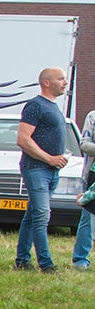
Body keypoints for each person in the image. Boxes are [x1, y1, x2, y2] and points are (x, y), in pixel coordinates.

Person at [14, 67, 70, 273]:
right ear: (46, 82)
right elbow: (22, 139)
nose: (65, 82)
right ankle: (46, 264)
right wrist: (50, 158)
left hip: (51, 170)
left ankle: (22, 260)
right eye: (61, 79)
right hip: (37, 168)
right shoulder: (35, 105)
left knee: (32, 215)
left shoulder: (53, 107)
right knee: (41, 216)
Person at [74, 108, 95, 270]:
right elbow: (84, 144)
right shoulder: (92, 116)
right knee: (88, 217)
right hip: (93, 173)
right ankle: (80, 259)